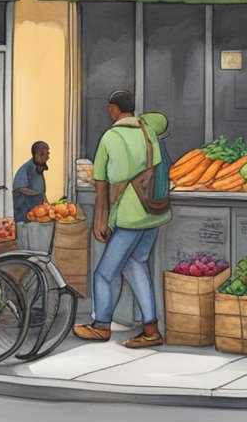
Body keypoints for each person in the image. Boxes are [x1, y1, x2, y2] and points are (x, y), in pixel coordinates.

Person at [73, 90, 172, 348]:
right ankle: (151, 329)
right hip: (153, 211)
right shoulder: (148, 132)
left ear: (113, 109)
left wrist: (99, 222)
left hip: (129, 216)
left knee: (105, 274)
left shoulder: (110, 136)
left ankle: (101, 326)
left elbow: (102, 186)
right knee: (135, 264)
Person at [10, 141, 50, 224]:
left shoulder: (38, 168)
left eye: (47, 154)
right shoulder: (26, 168)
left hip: (38, 213)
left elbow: (41, 190)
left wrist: (45, 201)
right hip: (24, 212)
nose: (46, 157)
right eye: (42, 154)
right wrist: (38, 193)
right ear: (35, 155)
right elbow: (21, 188)